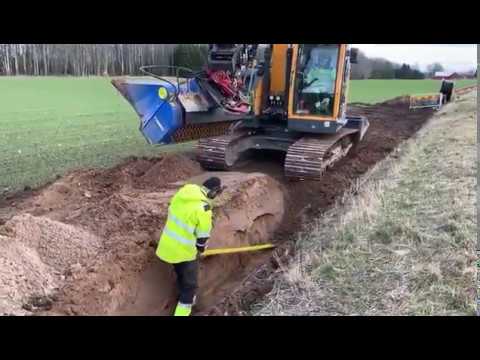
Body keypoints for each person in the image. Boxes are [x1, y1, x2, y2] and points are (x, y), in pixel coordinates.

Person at [156, 177, 223, 316]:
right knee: (190, 287)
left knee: (181, 275)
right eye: (217, 194)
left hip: (166, 247)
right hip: (183, 253)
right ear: (213, 192)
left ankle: (183, 293)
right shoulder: (204, 209)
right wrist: (201, 250)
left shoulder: (181, 195)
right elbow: (202, 239)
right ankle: (183, 310)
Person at [301, 48, 338, 114]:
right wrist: (306, 80)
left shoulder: (331, 70)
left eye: (324, 60)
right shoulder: (313, 70)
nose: (322, 61)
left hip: (327, 87)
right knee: (311, 91)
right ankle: (318, 106)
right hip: (315, 86)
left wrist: (334, 85)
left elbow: (335, 79)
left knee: (328, 93)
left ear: (328, 61)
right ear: (318, 60)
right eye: (321, 60)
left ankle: (324, 106)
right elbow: (307, 78)